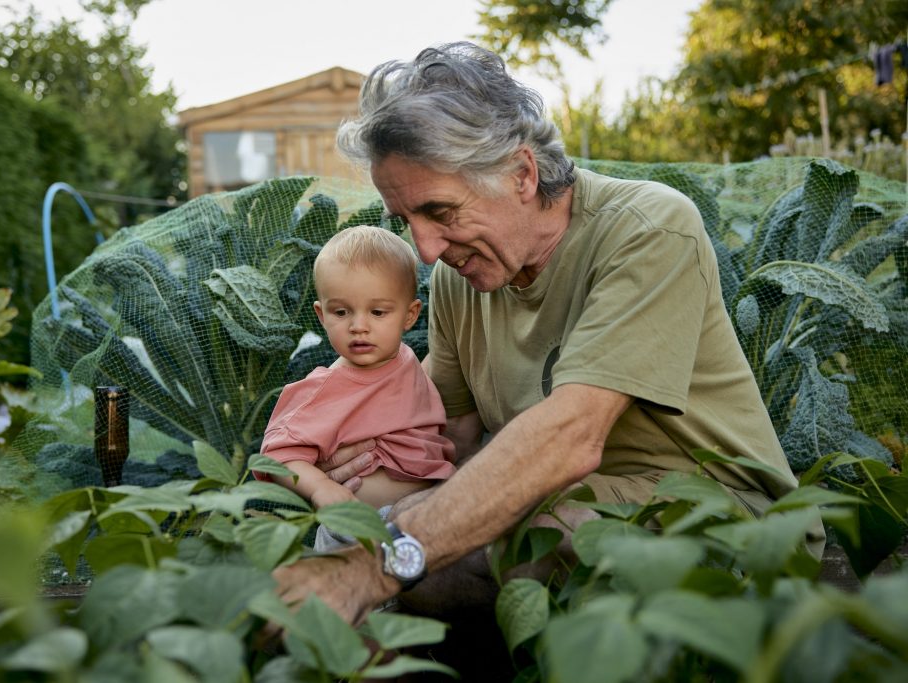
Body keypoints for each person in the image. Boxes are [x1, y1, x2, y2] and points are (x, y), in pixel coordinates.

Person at [272, 40, 823, 663]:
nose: (424, 249)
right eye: (405, 219)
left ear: (522, 174)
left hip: (725, 520)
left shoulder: (646, 229)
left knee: (518, 536)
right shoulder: (461, 277)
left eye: (439, 211)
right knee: (415, 538)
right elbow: (445, 428)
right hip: (567, 506)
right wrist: (356, 460)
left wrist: (375, 567)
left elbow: (572, 436)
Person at [255, 225, 456, 526]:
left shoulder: (405, 359)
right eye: (341, 312)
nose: (358, 326)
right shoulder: (325, 388)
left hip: (430, 510)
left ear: (410, 315)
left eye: (377, 312)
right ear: (321, 315)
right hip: (360, 528)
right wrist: (320, 487)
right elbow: (276, 456)